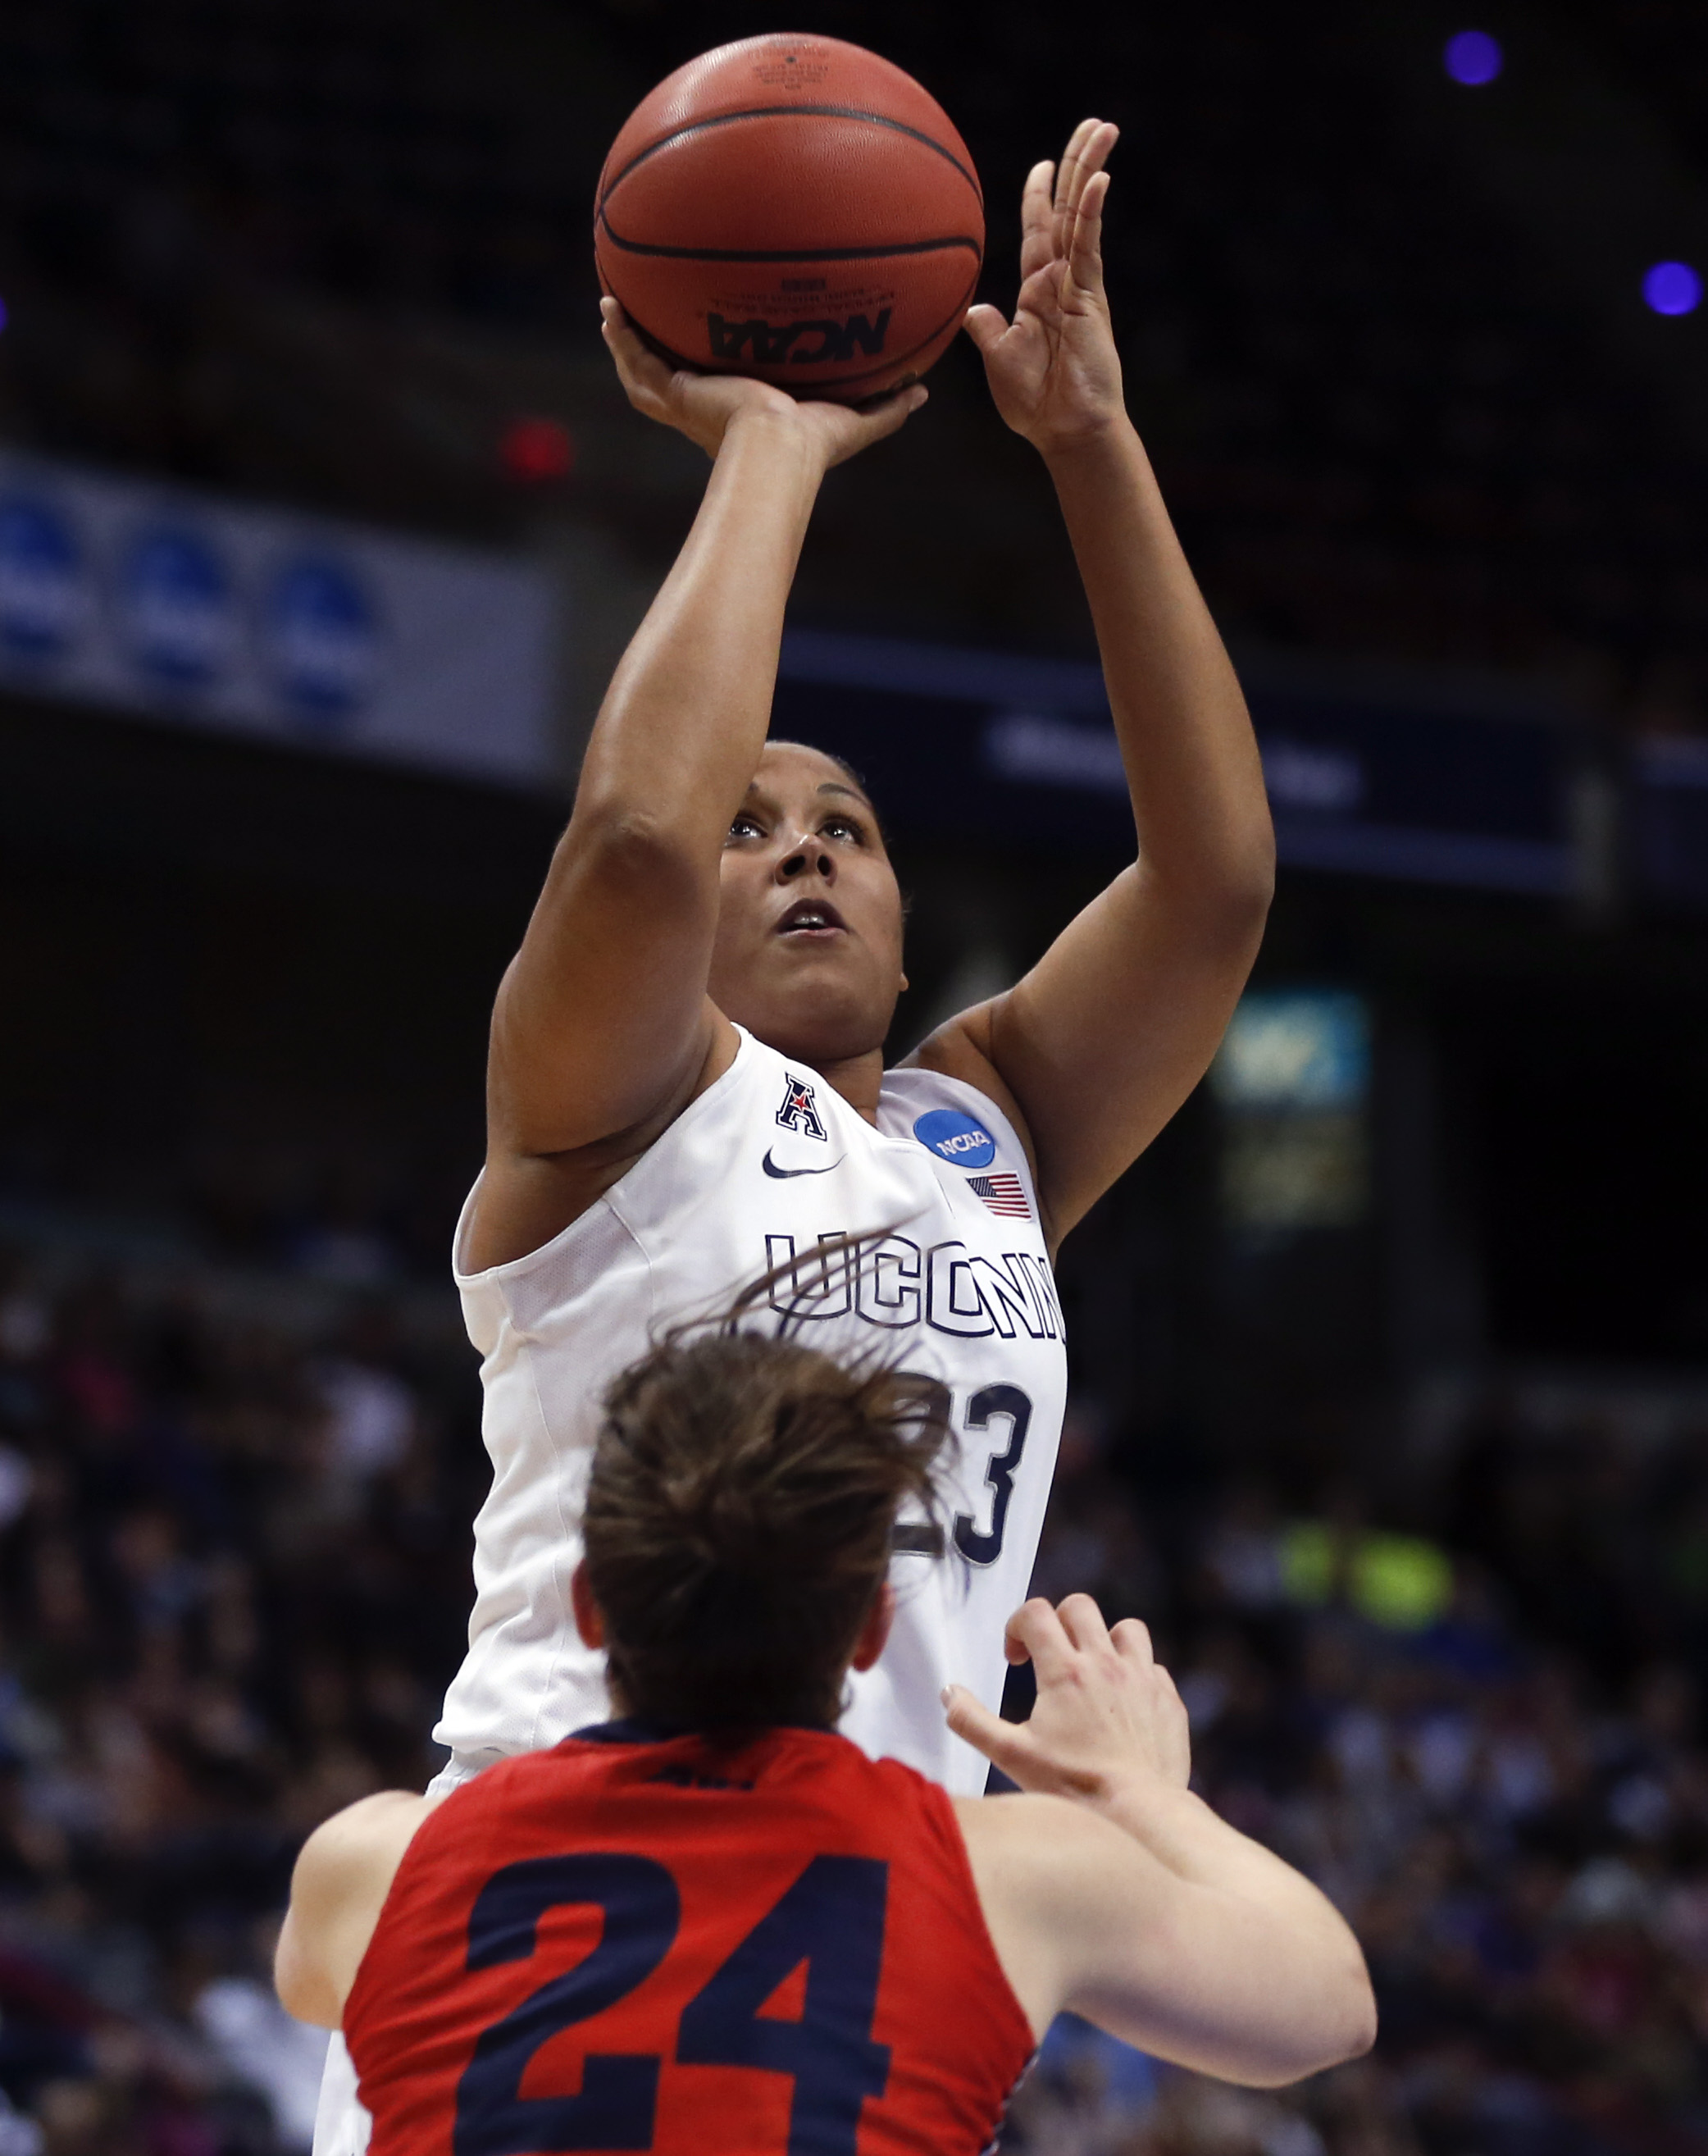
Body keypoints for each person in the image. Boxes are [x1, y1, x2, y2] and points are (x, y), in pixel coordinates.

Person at [309, 111, 1273, 2156]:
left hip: (862, 1931)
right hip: (556, 1896)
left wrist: (1087, 443)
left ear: (912, 903)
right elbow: (636, 837)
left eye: (844, 824)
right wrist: (772, 442)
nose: (801, 851)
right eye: (762, 829)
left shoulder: (983, 1115)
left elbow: (1211, 889)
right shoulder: (596, 1119)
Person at [278, 1327, 1375, 2156]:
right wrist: (1134, 1789)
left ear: (590, 1605)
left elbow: (313, 1984)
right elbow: (1328, 2005)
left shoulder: (370, 1866)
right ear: (871, 1630)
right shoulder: (1018, 1873)